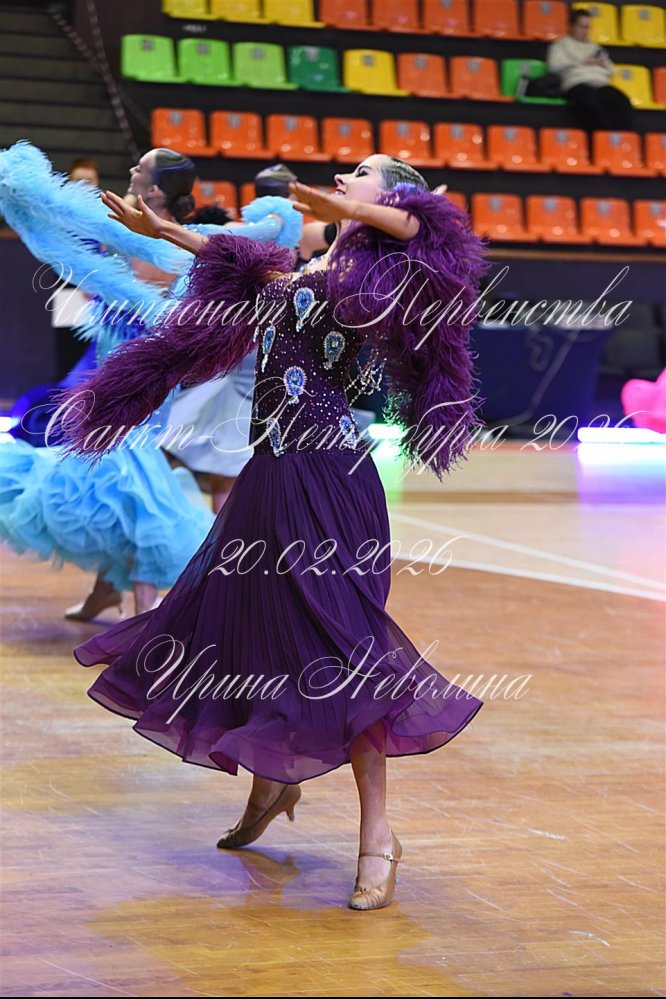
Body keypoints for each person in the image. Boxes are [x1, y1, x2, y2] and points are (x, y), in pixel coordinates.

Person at [56, 154, 489, 911]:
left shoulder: (390, 273)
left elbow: (421, 230)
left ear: (391, 197)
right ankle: (272, 784)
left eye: (361, 173)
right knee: (253, 636)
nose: (344, 177)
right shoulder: (317, 266)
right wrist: (163, 232)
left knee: (343, 653)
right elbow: (245, 265)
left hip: (330, 482)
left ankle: (378, 834)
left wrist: (356, 211)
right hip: (269, 477)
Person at [547, 8, 634, 131]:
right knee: (591, 103)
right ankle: (600, 136)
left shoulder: (595, 48)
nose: (585, 31)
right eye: (582, 27)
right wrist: (584, 62)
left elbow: (611, 69)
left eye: (588, 27)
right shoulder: (561, 45)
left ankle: (618, 138)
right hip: (576, 83)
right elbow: (555, 66)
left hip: (600, 84)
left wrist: (600, 64)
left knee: (621, 101)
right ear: (571, 26)